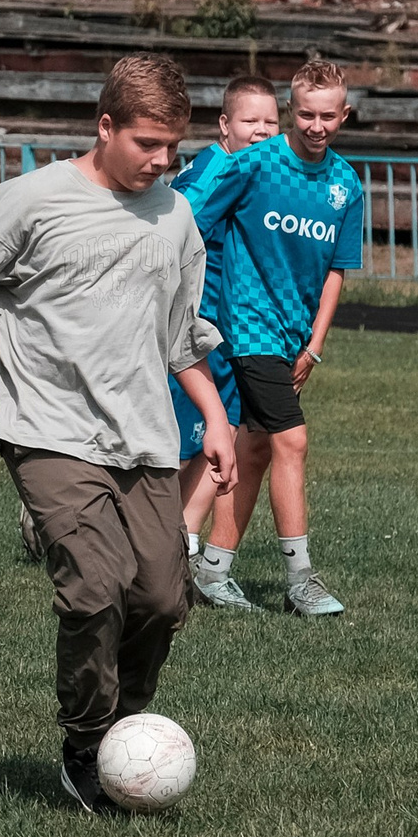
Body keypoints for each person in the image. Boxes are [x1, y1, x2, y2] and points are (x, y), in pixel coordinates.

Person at [0, 56, 237, 816]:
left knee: (164, 599)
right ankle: (85, 745)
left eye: (173, 146)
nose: (163, 160)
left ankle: (125, 731)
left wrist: (219, 416)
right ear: (104, 127)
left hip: (145, 437)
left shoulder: (176, 216)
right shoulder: (27, 202)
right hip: (48, 427)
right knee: (95, 587)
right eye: (146, 143)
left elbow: (178, 334)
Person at [185, 60, 365, 616]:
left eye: (328, 116)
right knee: (292, 440)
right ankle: (301, 581)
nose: (316, 126)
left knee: (257, 449)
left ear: (345, 114)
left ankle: (211, 572)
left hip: (292, 337)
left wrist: (314, 343)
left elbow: (337, 268)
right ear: (291, 111)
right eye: (306, 114)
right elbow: (192, 220)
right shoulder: (256, 164)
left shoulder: (345, 184)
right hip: (246, 327)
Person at [170, 75, 279, 595]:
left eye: (270, 122)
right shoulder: (216, 170)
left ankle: (180, 552)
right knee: (180, 447)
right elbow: (176, 226)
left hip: (233, 333)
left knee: (220, 442)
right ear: (224, 125)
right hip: (193, 334)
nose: (261, 132)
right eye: (249, 122)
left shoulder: (259, 172)